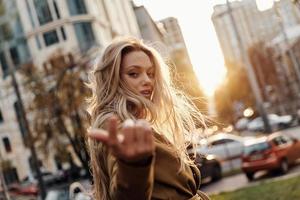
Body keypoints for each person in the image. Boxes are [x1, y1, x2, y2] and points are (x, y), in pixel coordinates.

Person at [86, 36, 209, 200]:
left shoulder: (137, 123)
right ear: (112, 78)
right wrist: (133, 166)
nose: (147, 81)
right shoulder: (114, 124)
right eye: (134, 73)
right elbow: (127, 195)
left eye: (150, 73)